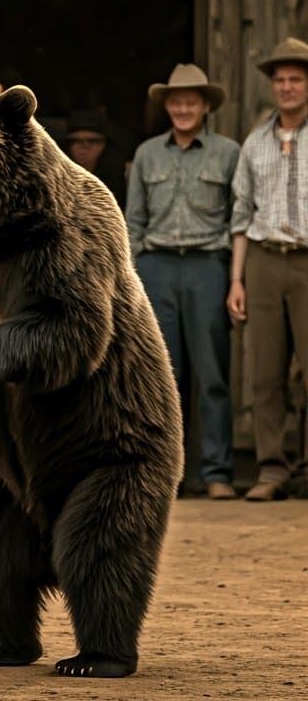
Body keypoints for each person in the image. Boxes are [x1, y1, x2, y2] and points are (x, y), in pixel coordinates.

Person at [126, 64, 240, 499]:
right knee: (160, 376)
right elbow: (133, 221)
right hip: (155, 267)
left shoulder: (228, 154)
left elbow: (237, 216)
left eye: (192, 100)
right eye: (176, 101)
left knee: (212, 373)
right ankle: (161, 476)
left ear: (206, 105)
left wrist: (230, 274)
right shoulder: (147, 155)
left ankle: (216, 473)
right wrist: (133, 277)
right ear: (166, 106)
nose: (184, 108)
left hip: (207, 265)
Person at [228, 36, 308, 501]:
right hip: (261, 259)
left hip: (306, 259)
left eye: (296, 78)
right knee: (264, 371)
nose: (288, 87)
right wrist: (237, 279)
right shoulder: (255, 142)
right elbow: (241, 213)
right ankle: (271, 470)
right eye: (280, 80)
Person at [63, 108, 129, 207]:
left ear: (105, 144)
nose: (84, 147)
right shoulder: (56, 175)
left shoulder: (121, 175)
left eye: (93, 141)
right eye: (76, 141)